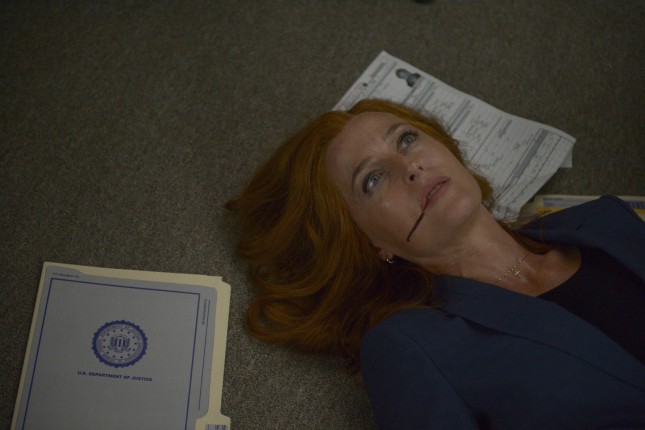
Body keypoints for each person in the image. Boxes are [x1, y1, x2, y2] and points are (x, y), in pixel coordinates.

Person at [226, 99, 645, 429]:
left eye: (406, 139)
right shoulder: (407, 348)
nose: (410, 167)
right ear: (368, 243)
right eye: (372, 179)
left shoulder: (605, 219)